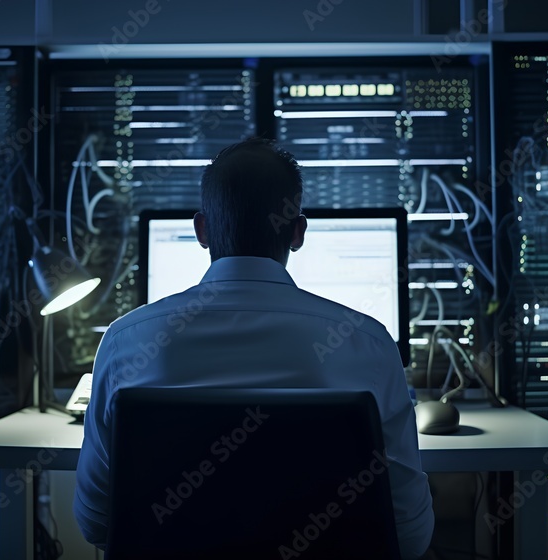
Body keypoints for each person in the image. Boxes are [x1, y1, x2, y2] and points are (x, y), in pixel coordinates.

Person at [73, 137, 435, 559]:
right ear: (298, 233)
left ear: (201, 231)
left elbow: (96, 521)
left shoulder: (124, 341)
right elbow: (408, 537)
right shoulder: (369, 343)